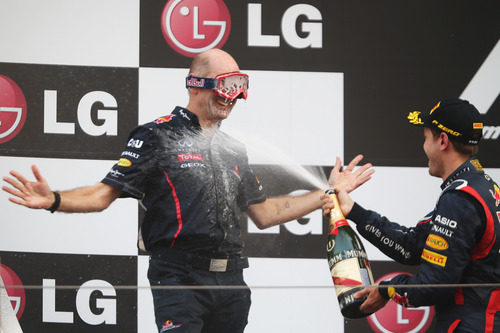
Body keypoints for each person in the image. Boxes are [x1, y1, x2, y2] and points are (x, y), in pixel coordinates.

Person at [2, 48, 373, 333]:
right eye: (228, 85)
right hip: (177, 277)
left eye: (240, 87)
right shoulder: (156, 136)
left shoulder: (233, 148)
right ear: (198, 83)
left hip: (231, 280)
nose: (234, 96)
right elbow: (103, 194)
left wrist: (328, 192)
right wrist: (54, 200)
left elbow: (266, 212)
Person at [322, 98, 500, 332]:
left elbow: (434, 286)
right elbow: (412, 245)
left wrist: (387, 289)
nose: (424, 147)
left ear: (443, 141)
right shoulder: (479, 187)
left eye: (426, 139)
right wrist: (354, 212)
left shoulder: (460, 199)